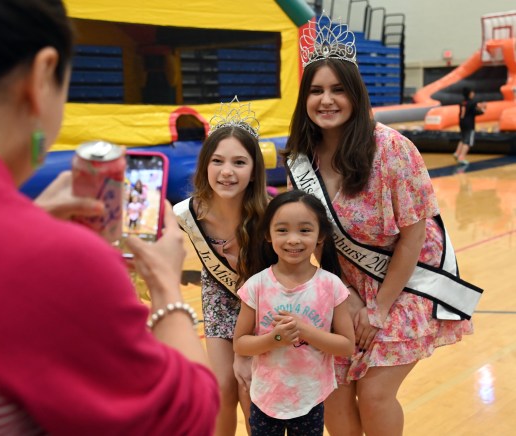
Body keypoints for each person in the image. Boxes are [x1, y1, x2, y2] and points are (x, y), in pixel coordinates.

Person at [0, 1, 219, 434]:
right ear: (41, 75)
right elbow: (187, 419)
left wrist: (24, 220)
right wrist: (164, 284)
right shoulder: (46, 260)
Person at [283, 13, 480, 436]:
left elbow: (414, 237)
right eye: (316, 91)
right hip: (344, 288)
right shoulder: (300, 160)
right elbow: (309, 236)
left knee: (373, 394)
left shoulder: (392, 149)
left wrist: (378, 308)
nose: (326, 100)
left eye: (338, 89)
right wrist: (343, 298)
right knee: (332, 390)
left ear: (356, 95)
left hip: (406, 286)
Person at [174, 99, 269, 436]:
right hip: (219, 301)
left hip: (265, 309)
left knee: (252, 393)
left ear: (254, 169)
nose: (227, 171)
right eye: (218, 161)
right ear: (205, 166)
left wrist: (245, 349)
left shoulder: (270, 216)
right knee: (221, 389)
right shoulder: (187, 214)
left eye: (239, 162)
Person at [233, 190, 355, 436]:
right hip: (265, 398)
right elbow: (240, 344)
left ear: (320, 236)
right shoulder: (257, 285)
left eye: (305, 230)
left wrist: (305, 331)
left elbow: (346, 346)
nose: (293, 239)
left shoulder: (331, 286)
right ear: (268, 234)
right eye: (282, 230)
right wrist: (274, 338)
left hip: (310, 397)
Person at [454, 87, 486, 165]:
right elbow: (478, 107)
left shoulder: (462, 102)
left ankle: (457, 153)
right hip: (469, 124)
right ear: (470, 93)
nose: (473, 94)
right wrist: (483, 108)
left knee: (463, 138)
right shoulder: (472, 102)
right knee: (468, 142)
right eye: (472, 92)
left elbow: (473, 112)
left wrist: (481, 111)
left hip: (462, 122)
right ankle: (461, 158)